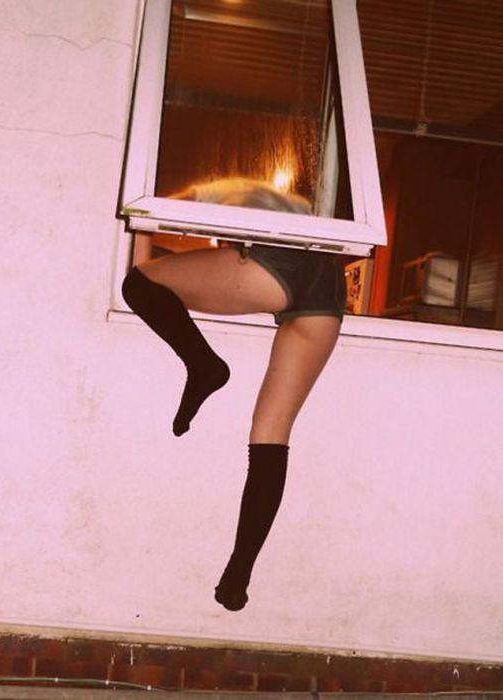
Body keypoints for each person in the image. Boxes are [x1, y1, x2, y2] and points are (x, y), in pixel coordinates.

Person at [122, 177, 347, 611]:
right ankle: (237, 577)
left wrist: (149, 217)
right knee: (271, 436)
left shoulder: (225, 186)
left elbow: (152, 213)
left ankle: (204, 366)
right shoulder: (299, 205)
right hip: (329, 287)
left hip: (277, 265)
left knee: (138, 284)